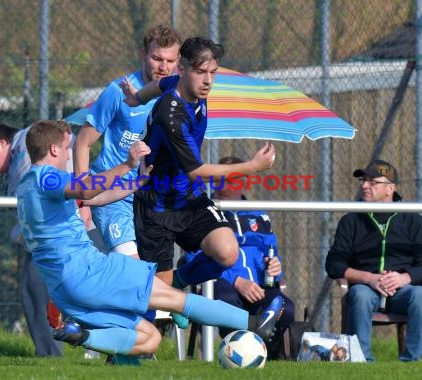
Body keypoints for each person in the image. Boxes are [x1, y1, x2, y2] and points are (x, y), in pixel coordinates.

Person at [16, 120, 283, 365]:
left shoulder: (27, 186)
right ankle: (254, 322)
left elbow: (93, 197)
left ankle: (78, 335)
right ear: (53, 149)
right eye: (66, 148)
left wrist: (138, 182)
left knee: (148, 337)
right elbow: (86, 188)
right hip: (88, 271)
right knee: (176, 299)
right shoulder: (47, 177)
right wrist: (127, 165)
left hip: (64, 288)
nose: (69, 155)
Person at [125, 37, 278, 329]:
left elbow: (159, 84)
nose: (208, 80)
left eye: (213, 72)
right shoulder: (172, 115)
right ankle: (128, 350)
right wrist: (252, 166)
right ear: (183, 69)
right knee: (157, 294)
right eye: (200, 72)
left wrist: (137, 98)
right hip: (156, 207)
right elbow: (195, 170)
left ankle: (180, 281)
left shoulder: (183, 86)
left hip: (189, 199)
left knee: (227, 251)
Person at [68, 24, 181, 260]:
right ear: (143, 55)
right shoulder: (118, 91)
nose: (164, 67)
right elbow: (82, 143)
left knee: (159, 278)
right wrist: (82, 196)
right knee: (131, 268)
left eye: (170, 61)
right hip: (113, 195)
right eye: (157, 58)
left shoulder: (179, 95)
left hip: (153, 195)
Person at [187, 155, 296, 360]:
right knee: (226, 299)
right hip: (221, 283)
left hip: (258, 287)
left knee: (286, 308)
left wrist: (274, 267)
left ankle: (267, 355)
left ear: (244, 181)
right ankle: (236, 355)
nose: (225, 186)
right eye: (221, 179)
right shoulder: (203, 211)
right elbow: (194, 257)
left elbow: (271, 253)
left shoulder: (259, 215)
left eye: (232, 180)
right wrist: (236, 281)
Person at [325, 159, 422, 362]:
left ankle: (411, 363)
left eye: (372, 182)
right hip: (367, 290)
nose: (364, 186)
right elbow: (333, 264)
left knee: (421, 295)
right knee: (359, 294)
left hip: (402, 292)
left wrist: (403, 278)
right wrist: (368, 278)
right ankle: (363, 361)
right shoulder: (351, 220)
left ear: (390, 188)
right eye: (363, 181)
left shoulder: (413, 220)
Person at [0, 124, 65, 357]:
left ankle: (52, 354)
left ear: (3, 143)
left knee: (40, 295)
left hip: (49, 238)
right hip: (38, 240)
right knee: (31, 293)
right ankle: (46, 354)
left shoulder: (25, 143)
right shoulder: (18, 157)